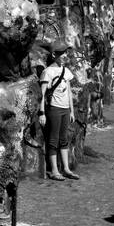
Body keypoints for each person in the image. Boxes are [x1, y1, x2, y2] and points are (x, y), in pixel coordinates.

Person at [38, 39, 80, 180]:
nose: (65, 55)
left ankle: (66, 169)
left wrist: (72, 111)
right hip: (54, 109)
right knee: (53, 139)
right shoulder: (47, 72)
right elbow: (42, 95)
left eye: (66, 52)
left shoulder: (66, 71)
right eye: (62, 53)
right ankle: (55, 170)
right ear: (54, 54)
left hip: (65, 109)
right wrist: (42, 113)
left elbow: (69, 93)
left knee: (64, 139)